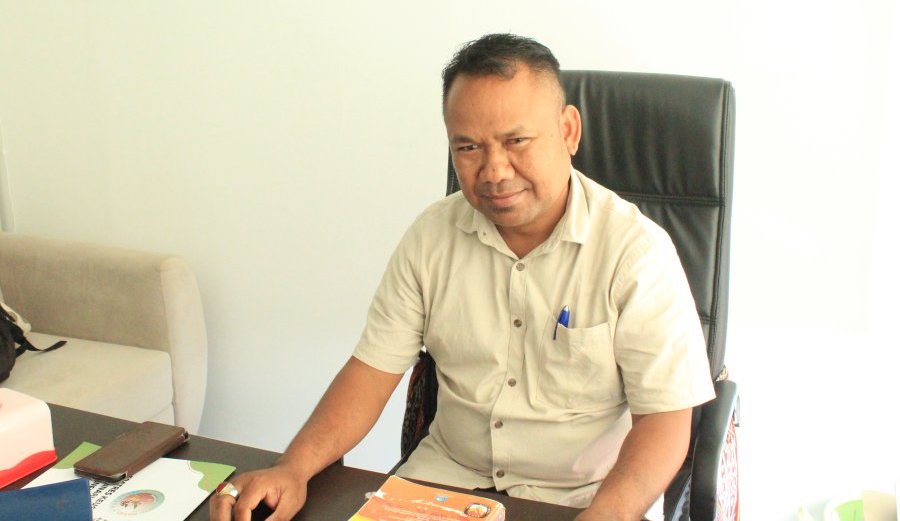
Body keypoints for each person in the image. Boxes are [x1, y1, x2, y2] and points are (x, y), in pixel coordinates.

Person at [210, 34, 714, 521]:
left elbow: (665, 418)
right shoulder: (431, 236)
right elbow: (370, 373)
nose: (494, 171)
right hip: (444, 483)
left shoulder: (636, 254)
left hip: (581, 499)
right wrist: (293, 468)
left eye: (515, 141)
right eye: (469, 147)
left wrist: (612, 511)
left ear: (568, 130)